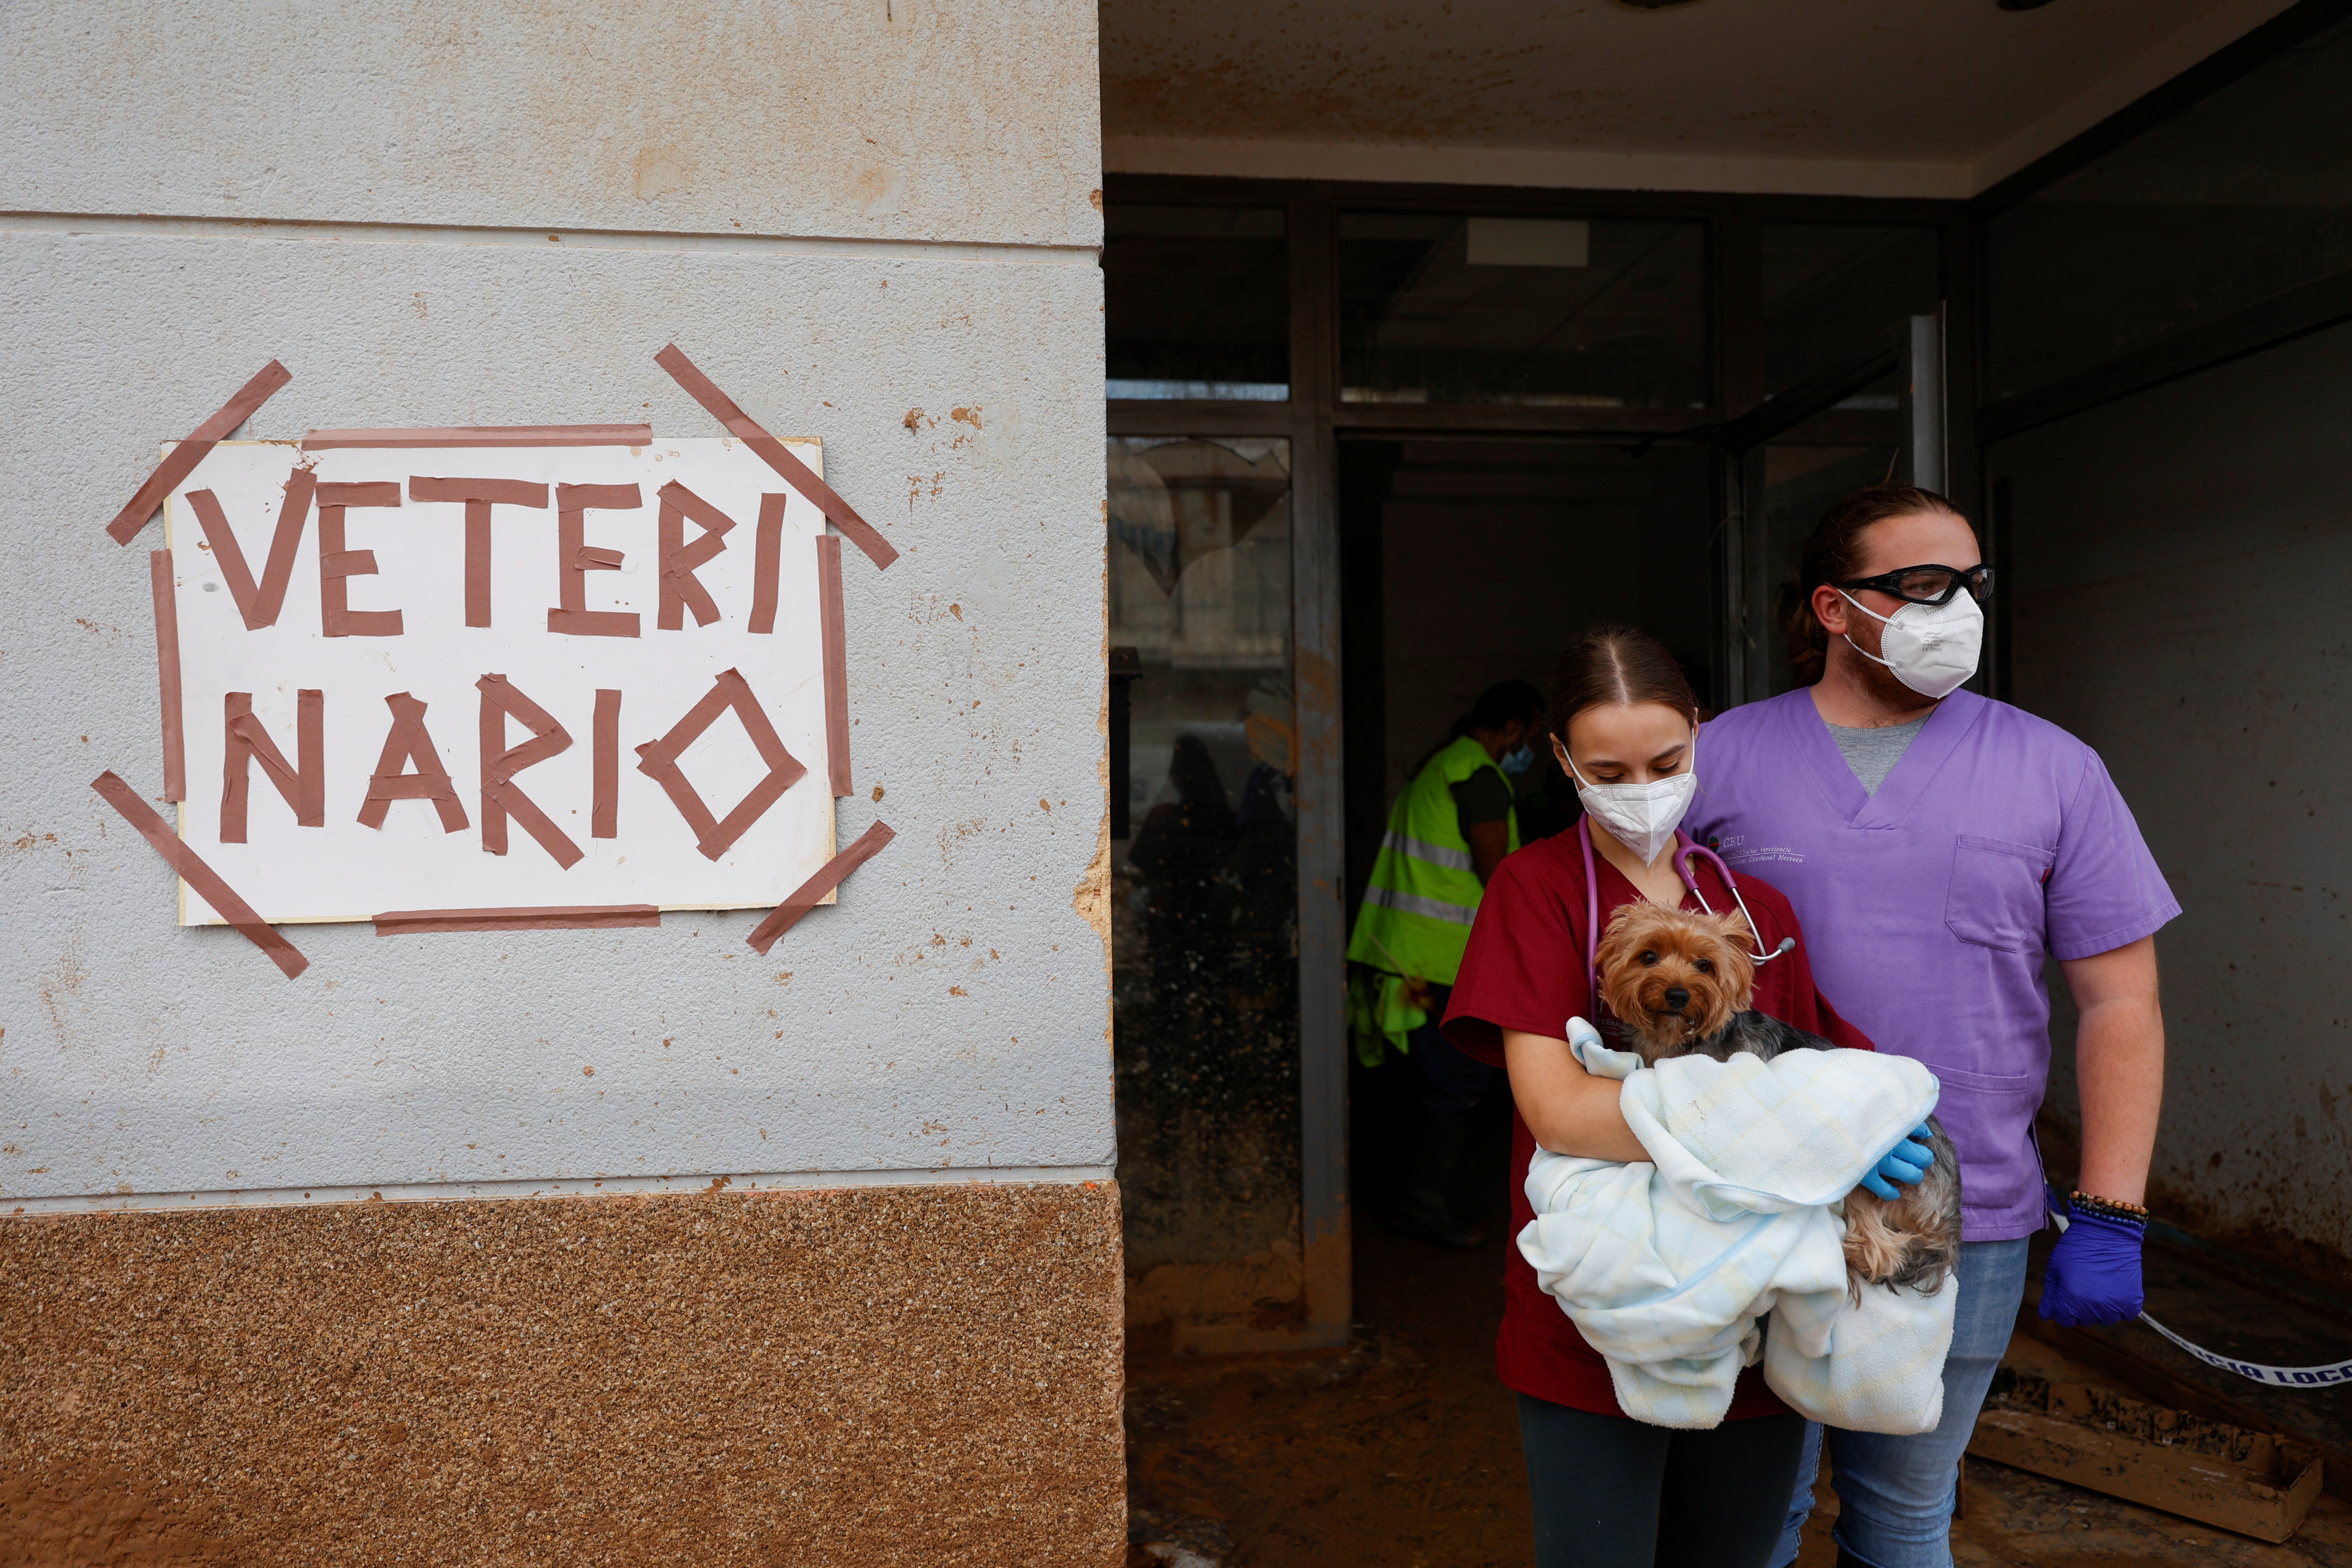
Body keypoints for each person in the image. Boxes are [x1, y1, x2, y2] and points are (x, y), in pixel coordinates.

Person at [1685, 485, 2176, 1568]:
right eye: (1920, 586)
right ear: (1832, 607)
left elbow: (2120, 1000)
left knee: (1907, 1514)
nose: (1954, 606)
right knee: (1744, 1522)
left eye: (1970, 584)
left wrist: (2111, 1208)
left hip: (1966, 1210)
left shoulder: (2054, 768)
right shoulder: (1717, 761)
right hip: (1751, 1198)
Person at [1441, 628, 1923, 1568]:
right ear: (1564, 762)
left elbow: (1826, 1069)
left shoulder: (1757, 914)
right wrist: (1799, 1144)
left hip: (1754, 1320)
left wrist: (1869, 1127)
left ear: (1700, 738)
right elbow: (1560, 1112)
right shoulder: (1534, 890)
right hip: (1596, 1316)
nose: (1642, 789)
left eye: (1665, 763)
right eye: (1610, 770)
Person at [1346, 679, 1547, 1247]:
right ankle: (1423, 1204)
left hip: (1404, 957)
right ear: (1511, 729)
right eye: (1530, 736)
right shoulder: (1480, 777)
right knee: (1458, 1080)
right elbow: (1499, 877)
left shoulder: (1440, 767)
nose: (1528, 748)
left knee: (1430, 1081)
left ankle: (1416, 1196)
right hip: (1437, 964)